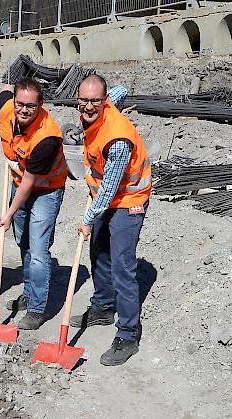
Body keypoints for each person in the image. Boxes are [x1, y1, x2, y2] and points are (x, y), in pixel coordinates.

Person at [70, 74, 151, 366]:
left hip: (129, 199)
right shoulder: (107, 103)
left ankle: (128, 335)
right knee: (98, 253)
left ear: (103, 102)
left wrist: (88, 220)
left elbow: (107, 193)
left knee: (122, 267)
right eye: (84, 100)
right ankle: (103, 307)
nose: (88, 107)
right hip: (109, 196)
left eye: (95, 101)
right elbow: (122, 88)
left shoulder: (117, 140)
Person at [0, 78, 68, 330]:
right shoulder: (7, 110)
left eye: (30, 106)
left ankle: (37, 308)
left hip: (47, 189)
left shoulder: (47, 137)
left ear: (41, 105)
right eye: (19, 104)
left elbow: (28, 184)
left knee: (38, 249)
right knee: (23, 242)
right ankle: (29, 291)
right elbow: (3, 92)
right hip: (21, 183)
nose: (24, 110)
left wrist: (9, 213)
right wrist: (7, 86)